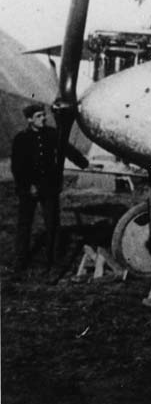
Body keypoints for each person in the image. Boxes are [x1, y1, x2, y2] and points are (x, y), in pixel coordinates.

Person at [11, 104, 89, 276]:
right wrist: (28, 185)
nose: (43, 119)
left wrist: (84, 163)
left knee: (52, 225)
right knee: (24, 225)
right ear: (30, 119)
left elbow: (67, 149)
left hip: (49, 187)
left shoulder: (52, 134)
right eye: (39, 116)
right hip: (27, 188)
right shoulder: (21, 139)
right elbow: (17, 167)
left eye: (44, 115)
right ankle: (20, 262)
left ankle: (52, 263)